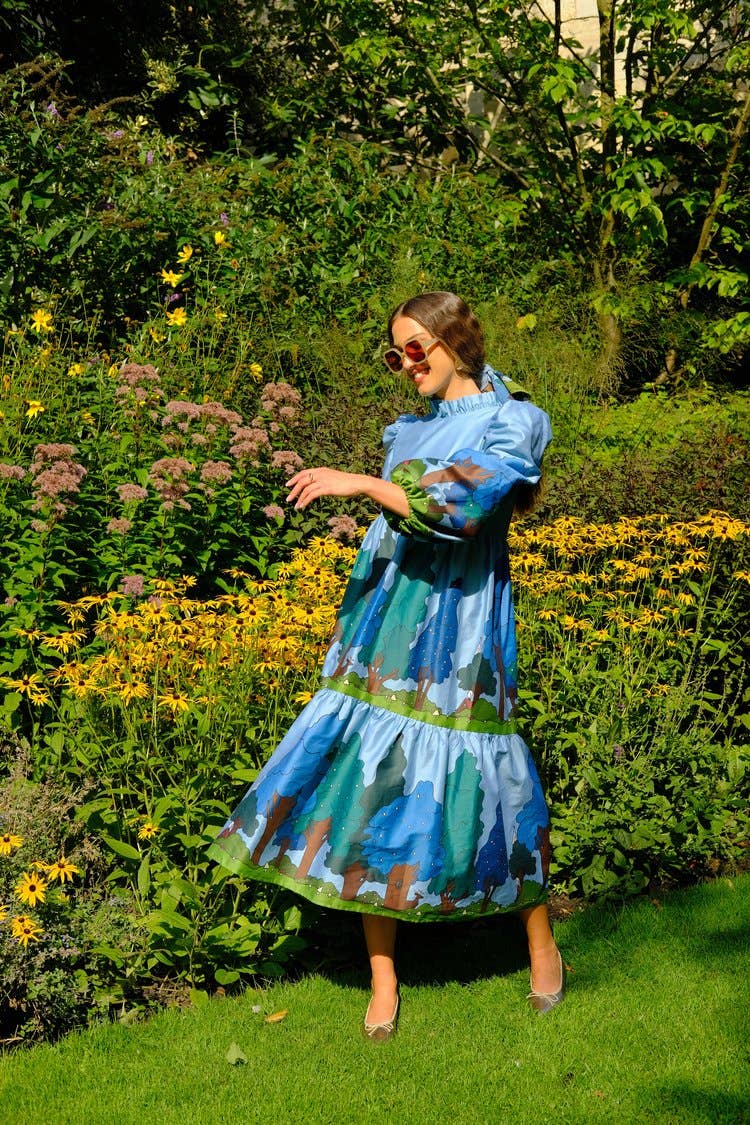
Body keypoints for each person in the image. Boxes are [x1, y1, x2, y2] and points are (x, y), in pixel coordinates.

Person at [209, 291, 565, 1040]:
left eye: (415, 347)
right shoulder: (410, 429)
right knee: (370, 780)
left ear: (455, 339)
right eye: (394, 351)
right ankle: (383, 978)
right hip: (389, 621)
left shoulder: (512, 421)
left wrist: (366, 485)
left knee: (491, 780)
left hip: (463, 626)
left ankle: (540, 941)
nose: (405, 364)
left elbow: (462, 510)